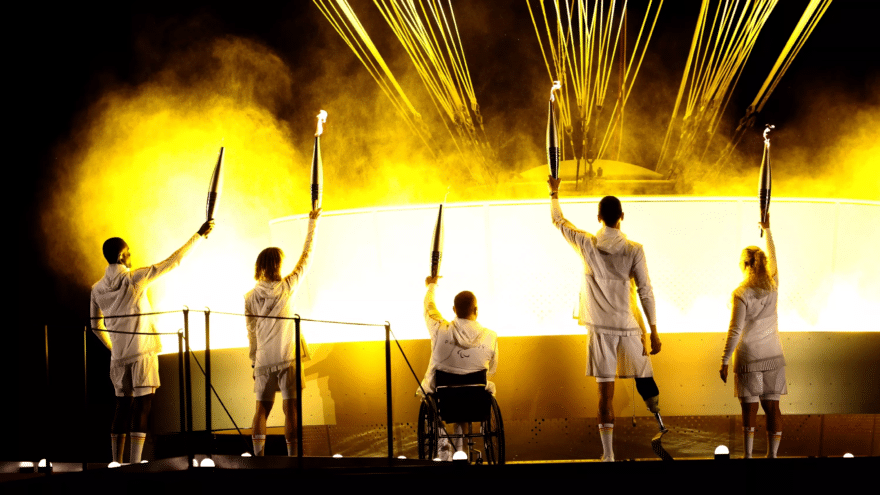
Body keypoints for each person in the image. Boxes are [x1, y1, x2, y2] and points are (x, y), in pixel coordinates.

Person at [548, 176, 664, 462]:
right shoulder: (634, 249)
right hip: (627, 327)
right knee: (645, 376)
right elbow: (646, 291)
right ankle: (661, 423)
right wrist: (654, 330)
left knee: (605, 395)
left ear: (598, 217)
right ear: (622, 217)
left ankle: (608, 455)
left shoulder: (587, 244)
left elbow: (559, 221)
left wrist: (554, 192)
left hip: (600, 331)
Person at [91, 220, 215, 464]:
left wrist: (113, 346)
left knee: (121, 406)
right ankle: (135, 463)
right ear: (120, 255)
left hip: (118, 357)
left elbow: (96, 326)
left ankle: (116, 462)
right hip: (142, 352)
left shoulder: (96, 289)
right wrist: (198, 235)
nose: (131, 257)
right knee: (143, 405)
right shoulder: (134, 279)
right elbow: (172, 262)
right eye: (128, 253)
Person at [246, 209, 320, 456]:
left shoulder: (249, 297)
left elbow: (251, 333)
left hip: (263, 360)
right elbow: (307, 257)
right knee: (291, 410)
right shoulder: (287, 287)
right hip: (287, 358)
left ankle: (258, 458)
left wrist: (254, 363)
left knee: (261, 410)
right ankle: (292, 458)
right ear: (277, 265)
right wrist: (313, 223)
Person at [719, 215, 784, 458]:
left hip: (748, 358)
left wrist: (724, 361)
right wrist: (767, 230)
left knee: (750, 410)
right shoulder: (773, 285)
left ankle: (747, 458)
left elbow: (735, 330)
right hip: (774, 356)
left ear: (743, 265)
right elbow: (775, 258)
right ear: (764, 264)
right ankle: (772, 457)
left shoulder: (741, 293)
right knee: (773, 408)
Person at [420, 275, 498, 460]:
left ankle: (445, 447)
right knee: (472, 390)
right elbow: (492, 369)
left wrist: (431, 286)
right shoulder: (491, 336)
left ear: (454, 310)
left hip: (445, 401)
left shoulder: (440, 329)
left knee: (438, 393)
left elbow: (429, 308)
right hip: (475, 402)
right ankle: (462, 449)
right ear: (476, 310)